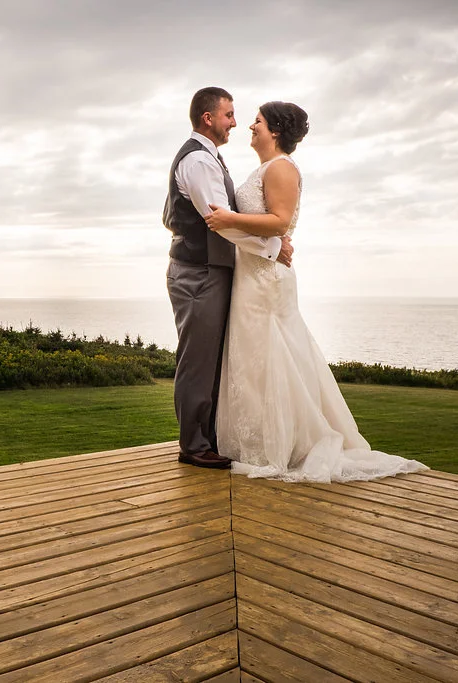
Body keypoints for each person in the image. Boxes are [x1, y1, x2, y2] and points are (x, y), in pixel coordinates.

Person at [204, 101, 428, 481]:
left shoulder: (281, 168)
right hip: (252, 276)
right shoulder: (263, 168)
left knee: (275, 354)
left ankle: (288, 443)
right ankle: (254, 440)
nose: (250, 127)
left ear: (275, 131)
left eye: (257, 121)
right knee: (253, 357)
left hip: (267, 279)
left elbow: (279, 220)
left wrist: (228, 218)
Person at [164, 87, 294, 469]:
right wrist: (273, 248)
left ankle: (210, 437)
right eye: (229, 115)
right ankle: (194, 445)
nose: (235, 123)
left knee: (214, 358)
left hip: (210, 271)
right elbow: (220, 224)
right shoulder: (200, 162)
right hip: (200, 273)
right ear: (209, 118)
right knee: (198, 360)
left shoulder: (209, 159)